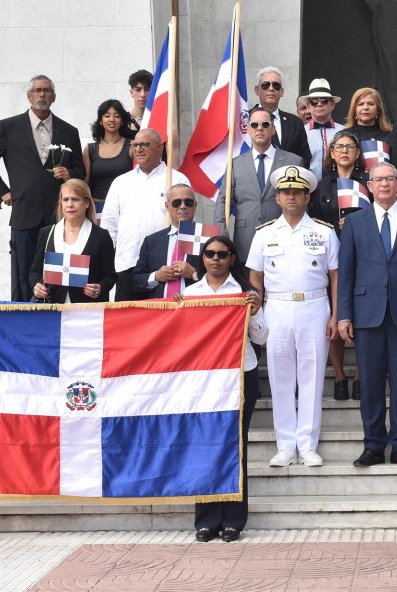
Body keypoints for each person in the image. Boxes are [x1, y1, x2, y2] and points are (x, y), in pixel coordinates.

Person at [338, 162, 397, 468]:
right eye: (378, 180)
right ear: (368, 185)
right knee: (370, 383)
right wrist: (343, 315)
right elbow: (347, 272)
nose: (384, 185)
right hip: (367, 315)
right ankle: (374, 444)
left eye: (390, 179)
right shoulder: (355, 223)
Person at [246, 166, 339, 468]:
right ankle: (285, 445)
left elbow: (335, 276)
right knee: (280, 379)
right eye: (286, 192)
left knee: (312, 379)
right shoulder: (264, 234)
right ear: (277, 198)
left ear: (307, 197)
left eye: (297, 192)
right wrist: (257, 310)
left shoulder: (324, 232)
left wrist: (336, 315)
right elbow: (256, 277)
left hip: (314, 307)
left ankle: (308, 444)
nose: (291, 197)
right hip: (278, 310)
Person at [181, 235, 266, 544]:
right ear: (202, 258)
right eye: (209, 254)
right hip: (203, 380)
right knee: (204, 446)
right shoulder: (189, 295)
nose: (215, 259)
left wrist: (254, 312)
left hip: (242, 375)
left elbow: (262, 336)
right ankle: (206, 521)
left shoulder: (245, 294)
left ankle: (233, 521)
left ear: (232, 258)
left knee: (235, 446)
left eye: (222, 254)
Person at [0, 74, 84, 302]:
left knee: (60, 271)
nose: (42, 94)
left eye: (46, 91)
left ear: (53, 97)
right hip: (25, 214)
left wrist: (69, 174)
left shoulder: (69, 131)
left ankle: (60, 315)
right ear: (29, 96)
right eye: (37, 90)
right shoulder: (9, 127)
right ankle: (23, 319)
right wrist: (2, 192)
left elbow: (81, 172)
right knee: (24, 273)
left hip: (59, 216)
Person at [309, 129, 367, 401]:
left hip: (364, 258)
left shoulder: (367, 183)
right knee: (334, 314)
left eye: (350, 147)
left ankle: (359, 376)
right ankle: (340, 376)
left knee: (361, 315)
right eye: (339, 147)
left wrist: (357, 226)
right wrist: (335, 227)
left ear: (357, 154)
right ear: (331, 154)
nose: (344, 151)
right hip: (330, 259)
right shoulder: (321, 186)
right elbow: (314, 221)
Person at [99, 129, 189, 301]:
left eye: (144, 145)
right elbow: (109, 226)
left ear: (159, 148)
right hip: (128, 264)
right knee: (127, 323)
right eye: (135, 145)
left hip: (166, 266)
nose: (138, 149)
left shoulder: (177, 180)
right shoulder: (121, 182)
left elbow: (186, 223)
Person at [214, 107, 305, 259]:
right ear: (248, 130)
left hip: (285, 242)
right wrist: (223, 238)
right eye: (255, 125)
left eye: (265, 124)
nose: (260, 128)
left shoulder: (293, 161)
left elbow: (303, 204)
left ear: (273, 129)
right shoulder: (235, 164)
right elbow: (223, 204)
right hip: (245, 244)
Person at [29, 179, 117, 303]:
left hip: (87, 310)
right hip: (53, 309)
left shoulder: (101, 236)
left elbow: (110, 275)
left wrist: (100, 288)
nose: (70, 204)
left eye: (75, 199)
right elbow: (35, 272)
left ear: (87, 203)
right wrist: (36, 286)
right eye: (65, 199)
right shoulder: (46, 233)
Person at [131, 184, 204, 299]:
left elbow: (221, 275)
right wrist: (156, 276)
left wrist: (194, 273)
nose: (183, 206)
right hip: (161, 312)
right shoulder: (152, 241)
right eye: (177, 203)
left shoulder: (208, 237)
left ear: (195, 206)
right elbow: (135, 281)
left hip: (194, 308)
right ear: (167, 206)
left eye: (188, 202)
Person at [82, 99, 136, 208]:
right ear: (101, 121)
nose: (112, 119)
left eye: (117, 116)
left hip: (126, 206)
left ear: (122, 121)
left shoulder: (133, 146)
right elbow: (84, 183)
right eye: (107, 116)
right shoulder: (89, 149)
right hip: (97, 207)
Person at [252, 66, 310, 165]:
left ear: (281, 92)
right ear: (257, 90)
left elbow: (305, 158)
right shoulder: (245, 120)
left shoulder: (295, 122)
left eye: (276, 85)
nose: (271, 88)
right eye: (265, 85)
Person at [302, 78, 345, 181]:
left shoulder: (345, 132)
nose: (319, 104)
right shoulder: (301, 132)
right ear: (308, 106)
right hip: (309, 189)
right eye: (314, 101)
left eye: (324, 100)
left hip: (338, 187)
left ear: (333, 104)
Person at [344, 87, 395, 151]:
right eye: (360, 104)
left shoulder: (390, 136)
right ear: (354, 109)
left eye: (371, 104)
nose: (365, 107)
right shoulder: (344, 136)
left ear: (378, 109)